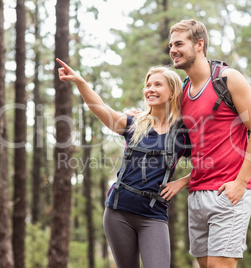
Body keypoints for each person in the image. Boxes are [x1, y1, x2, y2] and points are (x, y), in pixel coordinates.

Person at [56, 58, 191, 268]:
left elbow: (211, 161)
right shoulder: (134, 124)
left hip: (153, 215)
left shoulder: (183, 134)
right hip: (118, 212)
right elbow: (100, 108)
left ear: (172, 92)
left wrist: (182, 182)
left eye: (157, 84)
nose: (150, 89)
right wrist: (80, 82)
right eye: (148, 85)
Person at [160, 19, 251, 268]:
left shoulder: (227, 78)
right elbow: (205, 149)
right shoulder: (184, 92)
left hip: (228, 192)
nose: (173, 50)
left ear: (200, 44)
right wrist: (185, 181)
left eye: (179, 44)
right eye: (170, 45)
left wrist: (241, 182)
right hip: (197, 195)